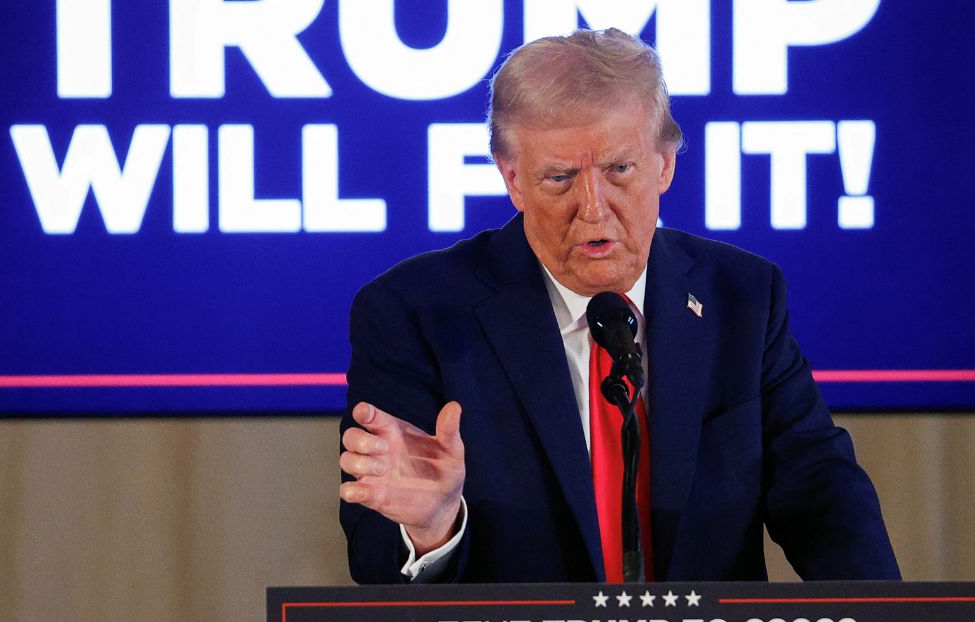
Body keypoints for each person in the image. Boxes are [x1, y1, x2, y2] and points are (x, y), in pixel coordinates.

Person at [338, 28, 899, 584]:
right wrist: (433, 529)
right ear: (513, 179)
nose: (592, 207)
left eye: (619, 170)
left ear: (664, 164)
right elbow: (372, 560)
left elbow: (821, 491)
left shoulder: (743, 298)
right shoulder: (415, 314)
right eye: (559, 177)